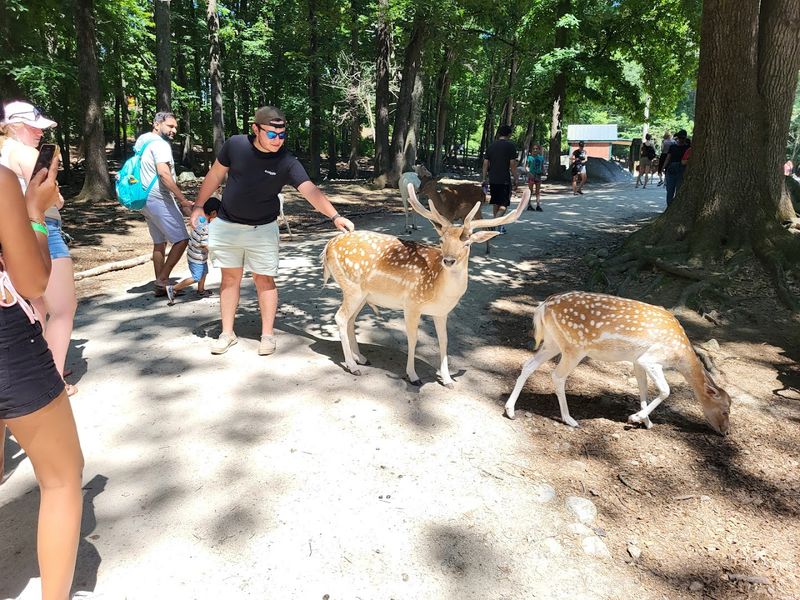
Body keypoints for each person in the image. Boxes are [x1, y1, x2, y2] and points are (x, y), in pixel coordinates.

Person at [0, 108, 84, 599]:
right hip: (8, 346)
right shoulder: (4, 180)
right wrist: (34, 211)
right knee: (61, 478)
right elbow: (33, 281)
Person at [192, 106, 354, 355]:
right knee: (229, 279)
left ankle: (267, 335)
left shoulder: (286, 161)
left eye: (282, 135)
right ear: (255, 129)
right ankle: (227, 333)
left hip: (263, 229)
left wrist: (334, 216)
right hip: (227, 225)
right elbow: (214, 176)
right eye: (271, 134)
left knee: (264, 280)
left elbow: (310, 190)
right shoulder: (235, 145)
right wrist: (199, 207)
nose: (277, 140)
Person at [0, 101, 78, 396]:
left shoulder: (4, 153)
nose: (39, 134)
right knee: (63, 308)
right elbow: (53, 196)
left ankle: (39, 369)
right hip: (43, 230)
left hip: (13, 238)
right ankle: (54, 380)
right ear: (17, 126)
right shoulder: (23, 152)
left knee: (37, 307)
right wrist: (57, 199)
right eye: (35, 128)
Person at [134, 111, 194, 296]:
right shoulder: (160, 145)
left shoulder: (143, 141)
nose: (174, 130)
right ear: (157, 124)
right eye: (170, 126)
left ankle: (160, 286)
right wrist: (182, 199)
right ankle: (163, 279)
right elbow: (163, 174)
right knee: (182, 239)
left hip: (144, 198)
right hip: (158, 197)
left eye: (175, 127)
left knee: (159, 242)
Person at [166, 197, 221, 305]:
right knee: (196, 277)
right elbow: (204, 244)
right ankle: (173, 288)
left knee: (204, 272)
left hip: (195, 254)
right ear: (214, 213)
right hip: (197, 257)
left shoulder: (200, 219)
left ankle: (201, 291)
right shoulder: (206, 228)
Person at [482, 124, 518, 233]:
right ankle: (493, 224)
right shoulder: (510, 146)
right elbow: (512, 164)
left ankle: (499, 226)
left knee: (496, 202)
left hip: (493, 177)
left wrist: (484, 178)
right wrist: (516, 177)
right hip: (504, 178)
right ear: (509, 134)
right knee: (504, 204)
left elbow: (485, 163)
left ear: (498, 134)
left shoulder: (491, 146)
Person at [662, 129, 690, 206]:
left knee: (677, 190)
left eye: (682, 138)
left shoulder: (688, 148)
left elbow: (668, 158)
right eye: (679, 138)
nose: (680, 139)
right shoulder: (673, 146)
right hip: (672, 169)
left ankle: (673, 206)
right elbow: (668, 158)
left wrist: (663, 168)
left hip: (680, 169)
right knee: (670, 190)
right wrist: (663, 168)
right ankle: (669, 206)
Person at [526, 143, 544, 211]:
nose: (535, 150)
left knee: (538, 191)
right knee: (530, 191)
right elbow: (527, 166)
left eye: (537, 149)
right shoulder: (530, 157)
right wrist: (529, 172)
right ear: (532, 150)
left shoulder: (541, 158)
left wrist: (543, 172)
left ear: (539, 150)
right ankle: (529, 205)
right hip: (531, 175)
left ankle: (538, 205)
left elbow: (542, 166)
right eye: (534, 149)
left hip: (538, 175)